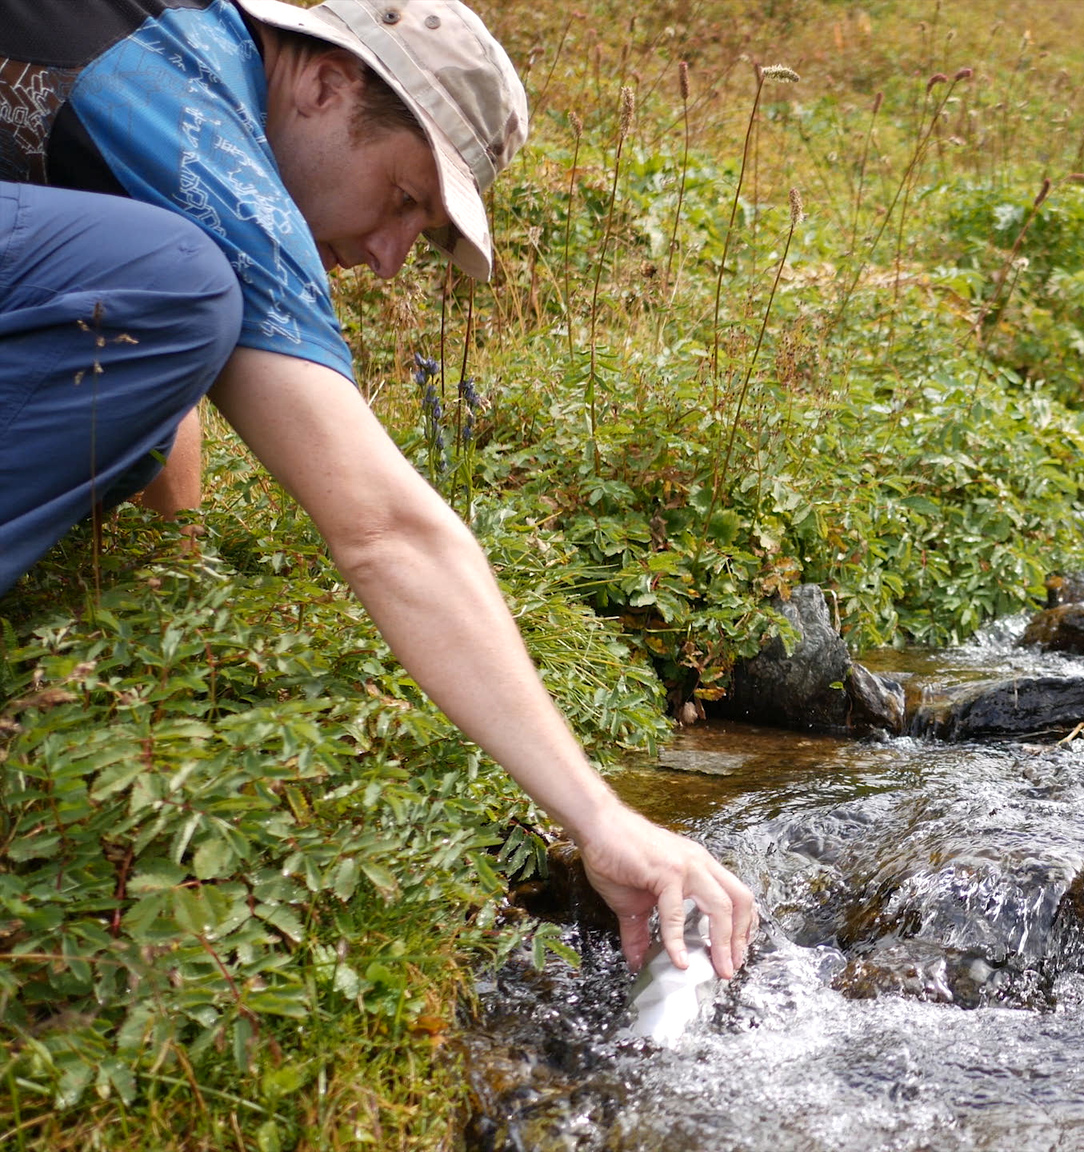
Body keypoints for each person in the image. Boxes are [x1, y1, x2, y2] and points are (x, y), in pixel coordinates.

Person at [0, 0, 756, 978]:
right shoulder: (197, 126)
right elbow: (386, 531)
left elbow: (149, 391)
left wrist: (176, 585)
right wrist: (597, 816)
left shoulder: (155, 54)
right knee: (175, 283)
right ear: (326, 82)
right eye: (405, 199)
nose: (390, 258)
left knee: (141, 343)